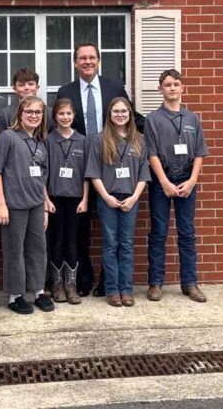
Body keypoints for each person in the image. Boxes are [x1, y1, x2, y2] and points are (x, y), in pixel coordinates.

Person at [56, 42, 144, 296]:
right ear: (75, 63)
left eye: (92, 57)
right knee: (81, 228)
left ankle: (109, 283)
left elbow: (131, 118)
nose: (87, 62)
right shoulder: (66, 90)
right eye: (82, 58)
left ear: (98, 60)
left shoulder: (114, 87)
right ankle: (83, 281)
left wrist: (157, 128)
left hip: (111, 170)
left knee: (114, 233)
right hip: (77, 168)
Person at [144, 69, 209, 303]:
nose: (172, 88)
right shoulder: (153, 119)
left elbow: (200, 152)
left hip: (187, 181)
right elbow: (150, 153)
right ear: (160, 89)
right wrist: (164, 182)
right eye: (167, 84)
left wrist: (192, 180)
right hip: (162, 180)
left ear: (183, 88)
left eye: (176, 84)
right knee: (159, 233)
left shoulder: (192, 119)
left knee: (187, 233)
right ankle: (155, 283)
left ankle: (190, 283)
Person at [0, 95, 55, 315]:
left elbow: (41, 177)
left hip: (36, 203)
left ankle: (38, 291)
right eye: (29, 112)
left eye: (38, 112)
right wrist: (1, 204)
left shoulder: (40, 142)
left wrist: (45, 205)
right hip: (14, 204)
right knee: (14, 250)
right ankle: (15, 296)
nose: (34, 116)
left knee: (38, 249)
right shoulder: (8, 137)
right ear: (20, 114)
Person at [85, 97, 150, 307]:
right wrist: (106, 197)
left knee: (127, 245)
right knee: (110, 244)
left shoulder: (139, 139)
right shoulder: (99, 140)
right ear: (109, 115)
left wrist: (133, 198)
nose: (120, 115)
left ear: (130, 114)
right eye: (116, 111)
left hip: (131, 199)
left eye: (124, 111)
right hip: (108, 199)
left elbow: (143, 174)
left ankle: (126, 290)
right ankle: (112, 290)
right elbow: (94, 173)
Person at [45, 98, 88, 304]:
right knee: (56, 240)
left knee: (72, 240)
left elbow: (88, 174)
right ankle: (57, 284)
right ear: (55, 117)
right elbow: (42, 174)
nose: (65, 117)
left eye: (68, 114)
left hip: (76, 199)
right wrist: (45, 199)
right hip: (54, 198)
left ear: (73, 116)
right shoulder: (47, 140)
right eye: (61, 114)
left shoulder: (82, 141)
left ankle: (71, 285)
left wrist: (85, 199)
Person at [0, 67, 53, 134]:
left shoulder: (49, 113)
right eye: (21, 85)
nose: (27, 88)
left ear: (37, 87)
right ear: (15, 89)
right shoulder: (6, 114)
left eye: (30, 84)